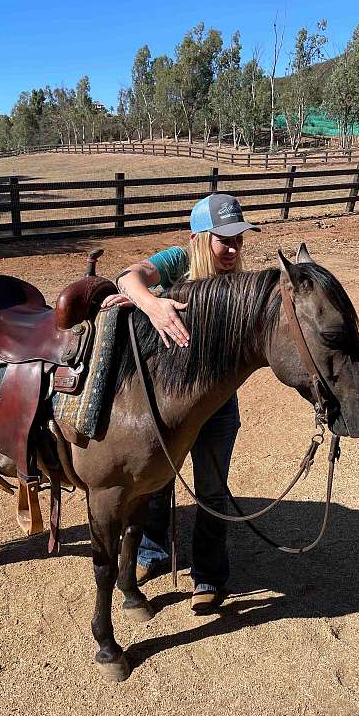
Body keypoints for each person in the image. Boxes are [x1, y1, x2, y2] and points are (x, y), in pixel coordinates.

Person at [101, 193, 260, 613]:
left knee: (211, 487)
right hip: (171, 401)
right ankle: (152, 553)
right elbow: (128, 276)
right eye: (223, 239)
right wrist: (148, 303)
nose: (232, 248)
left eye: (238, 240)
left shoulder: (238, 283)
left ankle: (208, 573)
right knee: (158, 480)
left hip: (217, 405)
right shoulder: (177, 261)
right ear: (198, 237)